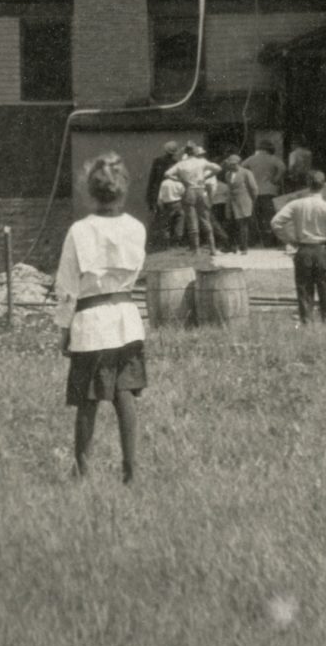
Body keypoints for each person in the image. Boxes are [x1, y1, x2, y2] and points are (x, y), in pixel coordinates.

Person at [54, 154, 147, 485]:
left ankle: (81, 469)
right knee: (125, 395)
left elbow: (67, 286)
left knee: (88, 402)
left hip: (91, 323)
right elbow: (136, 271)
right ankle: (131, 469)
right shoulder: (136, 228)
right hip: (126, 319)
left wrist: (64, 329)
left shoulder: (80, 231)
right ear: (123, 189)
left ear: (89, 191)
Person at [271, 172, 326, 325]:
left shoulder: (296, 205)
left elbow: (275, 222)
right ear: (324, 186)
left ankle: (307, 323)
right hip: (323, 249)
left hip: (303, 250)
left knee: (304, 290)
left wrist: (290, 239)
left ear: (307, 185)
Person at [168, 141, 219, 252]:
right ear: (195, 152)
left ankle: (196, 249)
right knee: (205, 219)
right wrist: (206, 177)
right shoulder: (201, 162)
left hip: (189, 190)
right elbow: (217, 168)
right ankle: (213, 248)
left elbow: (167, 174)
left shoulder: (181, 164)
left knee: (192, 221)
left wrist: (181, 180)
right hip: (201, 190)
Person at [242, 138, 284, 245]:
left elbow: (241, 168)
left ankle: (253, 240)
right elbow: (283, 168)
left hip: (254, 191)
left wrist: (247, 181)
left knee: (254, 217)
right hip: (269, 190)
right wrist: (276, 179)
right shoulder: (273, 159)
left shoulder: (251, 159)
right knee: (269, 217)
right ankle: (269, 241)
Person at [222, 155, 257, 254]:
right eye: (230, 164)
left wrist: (252, 199)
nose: (232, 166)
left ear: (239, 163)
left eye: (234, 164)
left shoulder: (246, 173)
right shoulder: (227, 174)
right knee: (230, 224)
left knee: (243, 225)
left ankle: (244, 248)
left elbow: (253, 188)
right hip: (231, 202)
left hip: (243, 201)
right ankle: (232, 246)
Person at [145, 138, 179, 233]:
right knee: (168, 218)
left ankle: (157, 239)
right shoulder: (176, 163)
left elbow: (152, 179)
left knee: (158, 217)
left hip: (157, 192)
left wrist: (149, 196)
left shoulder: (158, 161)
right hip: (170, 193)